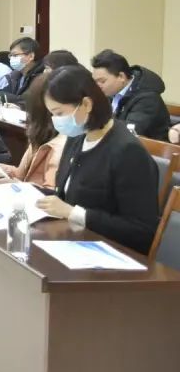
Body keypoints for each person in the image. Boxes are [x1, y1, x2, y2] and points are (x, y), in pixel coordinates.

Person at [39, 65, 160, 255]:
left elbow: (141, 230)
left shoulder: (127, 151)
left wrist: (73, 213)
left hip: (112, 252)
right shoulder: (77, 137)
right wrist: (25, 189)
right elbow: (66, 196)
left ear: (87, 104)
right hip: (74, 240)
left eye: (59, 113)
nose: (56, 120)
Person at [0, 76, 66, 188]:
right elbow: (22, 175)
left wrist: (19, 185)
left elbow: (51, 192)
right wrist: (4, 171)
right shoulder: (39, 134)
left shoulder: (61, 144)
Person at [90, 49, 170, 141]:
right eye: (95, 82)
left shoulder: (148, 98)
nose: (97, 86)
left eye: (102, 81)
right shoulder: (110, 92)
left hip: (147, 148)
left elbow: (129, 132)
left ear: (121, 77)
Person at [0, 37, 46, 106]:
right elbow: (3, 92)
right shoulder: (16, 75)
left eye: (15, 55)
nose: (11, 58)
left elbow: (28, 101)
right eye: (11, 55)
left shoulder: (40, 77)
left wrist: (4, 97)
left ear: (31, 56)